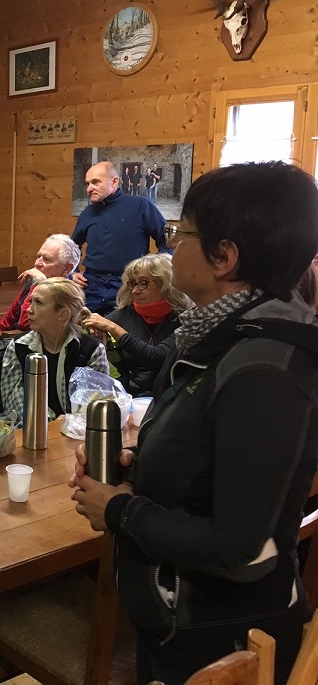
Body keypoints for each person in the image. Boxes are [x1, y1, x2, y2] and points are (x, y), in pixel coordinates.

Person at [71, 161, 318, 684]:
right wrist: (139, 466)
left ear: (224, 257)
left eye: (183, 233)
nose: (171, 246)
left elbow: (237, 546)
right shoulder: (218, 340)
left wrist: (119, 509)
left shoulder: (263, 368)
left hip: (222, 636)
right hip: (182, 623)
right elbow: (215, 467)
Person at [83, 254, 190, 397]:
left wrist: (114, 329)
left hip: (173, 398)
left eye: (143, 283)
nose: (135, 290)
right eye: (132, 283)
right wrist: (93, 330)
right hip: (130, 399)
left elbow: (157, 358)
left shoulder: (185, 318)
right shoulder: (123, 315)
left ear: (166, 283)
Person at [0, 277, 108, 419]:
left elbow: (96, 405)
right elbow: (14, 402)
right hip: (33, 430)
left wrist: (70, 420)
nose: (28, 309)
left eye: (38, 303)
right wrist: (49, 422)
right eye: (30, 301)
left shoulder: (92, 350)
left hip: (78, 434)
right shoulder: (19, 346)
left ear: (62, 314)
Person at [72, 161, 170, 315]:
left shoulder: (141, 206)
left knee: (124, 335)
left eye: (95, 182)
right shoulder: (87, 213)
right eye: (88, 183)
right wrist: (73, 271)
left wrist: (155, 272)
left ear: (114, 181)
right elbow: (71, 247)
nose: (89, 188)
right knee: (88, 331)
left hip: (130, 285)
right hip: (92, 285)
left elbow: (168, 242)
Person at [0, 234, 80, 333]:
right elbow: (7, 321)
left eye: (46, 259)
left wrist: (40, 284)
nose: (37, 264)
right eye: (38, 256)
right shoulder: (33, 282)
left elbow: (25, 324)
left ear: (67, 268)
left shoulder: (70, 296)